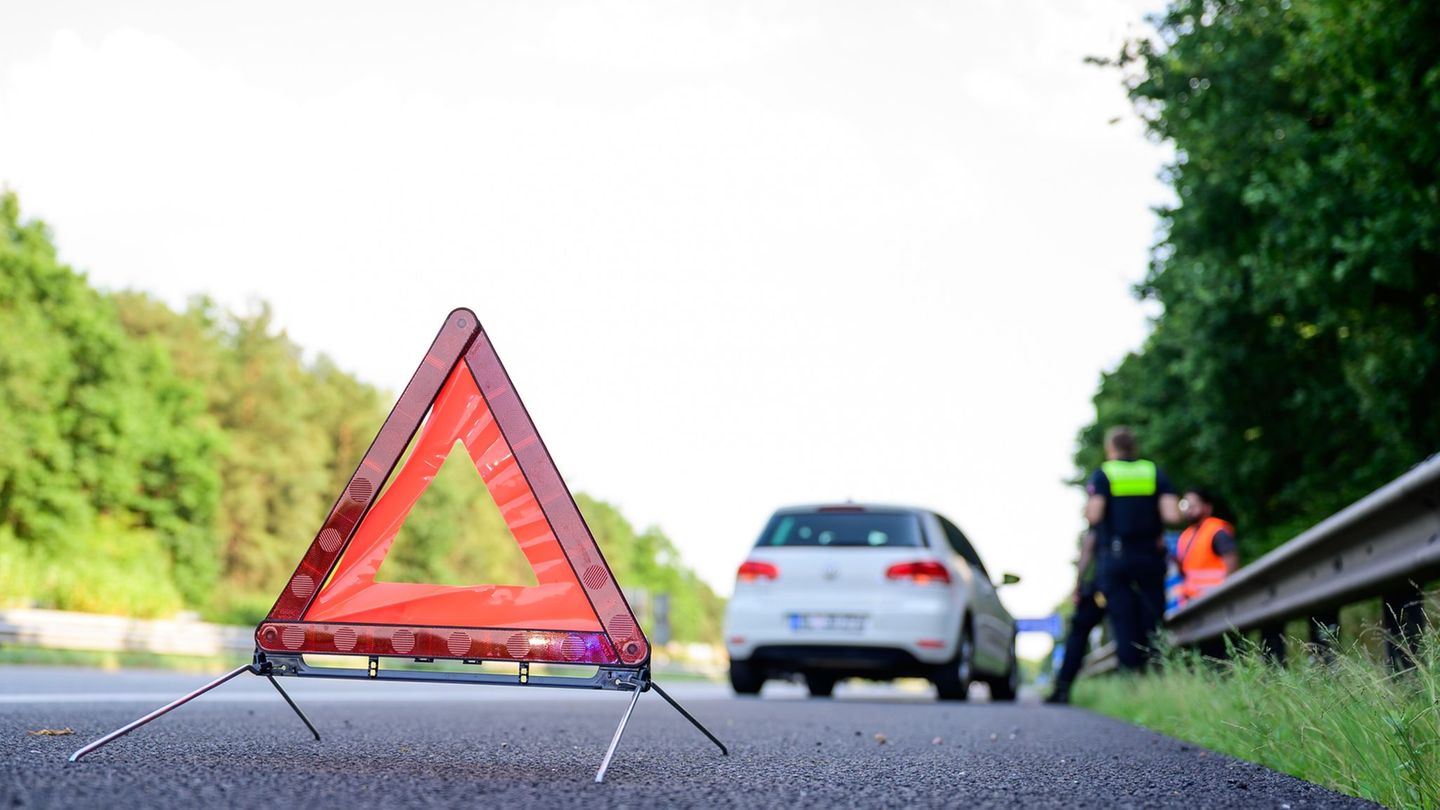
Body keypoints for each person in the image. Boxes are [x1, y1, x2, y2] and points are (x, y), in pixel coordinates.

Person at [1084, 426, 1180, 671]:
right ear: (1134, 447)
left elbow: (1094, 516)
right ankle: (1156, 672)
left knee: (1123, 619)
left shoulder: (1104, 473)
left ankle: (1132, 677)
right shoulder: (1153, 471)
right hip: (1149, 556)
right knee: (1153, 616)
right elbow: (1172, 515)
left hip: (1116, 557)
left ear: (1110, 448)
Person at [1046, 529, 1105, 704]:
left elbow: (1087, 551)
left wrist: (1078, 585)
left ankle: (1062, 689)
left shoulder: (1098, 525)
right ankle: (1134, 686)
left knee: (1077, 635)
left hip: (1099, 587)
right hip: (1130, 579)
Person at [1174, 487, 1239, 606]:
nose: (1189, 509)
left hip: (1216, 599)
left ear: (1207, 507)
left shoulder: (1217, 531)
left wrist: (1228, 594)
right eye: (1187, 505)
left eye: (1194, 505)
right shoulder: (1184, 536)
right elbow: (1184, 570)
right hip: (1192, 602)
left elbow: (1232, 567)